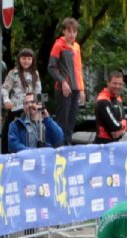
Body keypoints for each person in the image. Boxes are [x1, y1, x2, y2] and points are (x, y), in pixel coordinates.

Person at [8, 93, 63, 238]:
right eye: (26, 103)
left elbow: (59, 138)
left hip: (43, 172)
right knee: (25, 209)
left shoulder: (45, 123)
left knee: (38, 208)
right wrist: (33, 154)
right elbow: (13, 144)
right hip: (25, 173)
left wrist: (47, 119)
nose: (30, 105)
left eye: (33, 102)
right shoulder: (16, 124)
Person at [48, 17, 85, 146]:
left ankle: (68, 144)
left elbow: (78, 69)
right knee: (62, 120)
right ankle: (59, 145)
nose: (72, 34)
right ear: (64, 31)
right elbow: (51, 67)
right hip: (63, 88)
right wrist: (63, 81)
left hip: (75, 88)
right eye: (69, 31)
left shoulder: (76, 47)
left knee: (72, 119)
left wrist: (81, 89)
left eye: (74, 31)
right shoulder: (59, 45)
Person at [1, 48, 43, 153]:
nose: (26, 61)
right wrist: (6, 100)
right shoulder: (13, 73)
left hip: (31, 109)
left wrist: (39, 105)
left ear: (32, 60)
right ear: (19, 59)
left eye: (29, 59)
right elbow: (5, 88)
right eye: (24, 58)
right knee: (8, 132)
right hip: (16, 107)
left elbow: (38, 90)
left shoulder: (35, 73)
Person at [94, 71, 127, 144]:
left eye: (120, 84)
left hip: (115, 142)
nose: (117, 86)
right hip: (103, 144)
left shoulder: (118, 98)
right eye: (115, 83)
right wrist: (122, 126)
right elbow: (114, 126)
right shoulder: (103, 100)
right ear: (108, 83)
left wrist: (122, 129)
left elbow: (124, 120)